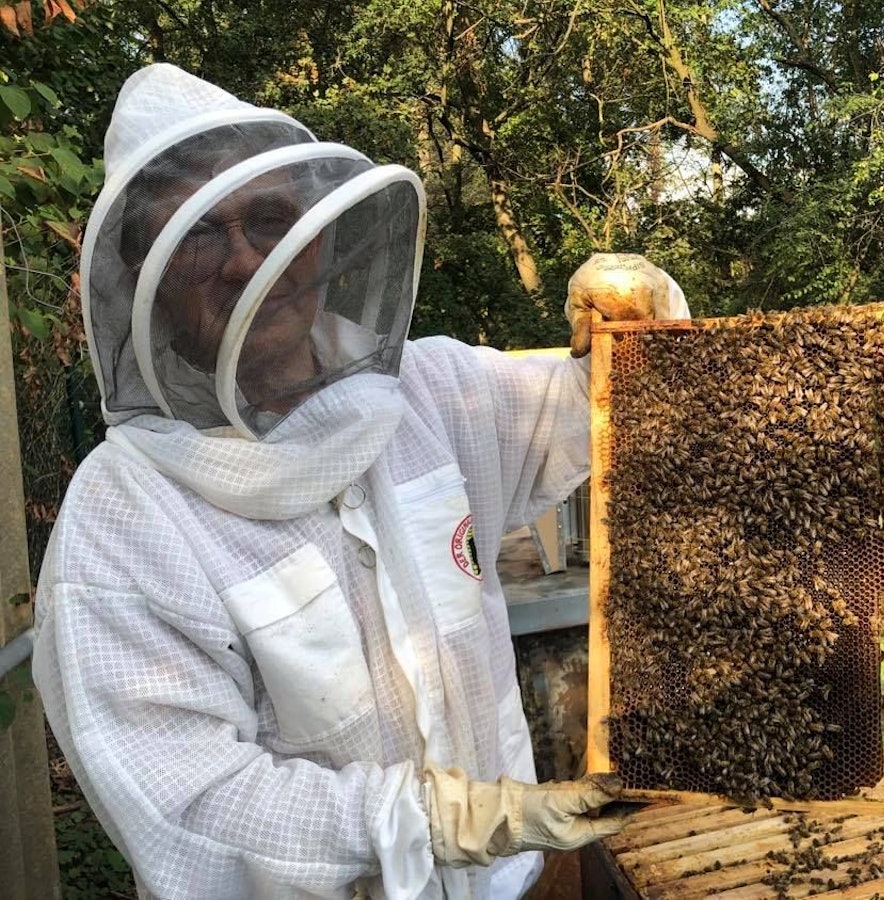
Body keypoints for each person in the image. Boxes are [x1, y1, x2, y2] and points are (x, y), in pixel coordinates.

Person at [31, 63, 688, 899]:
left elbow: (608, 405)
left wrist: (644, 319)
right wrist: (447, 823)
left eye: (270, 219)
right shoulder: (122, 523)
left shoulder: (436, 394)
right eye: (198, 232)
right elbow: (192, 805)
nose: (243, 261)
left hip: (530, 885)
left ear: (319, 238)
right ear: (144, 277)